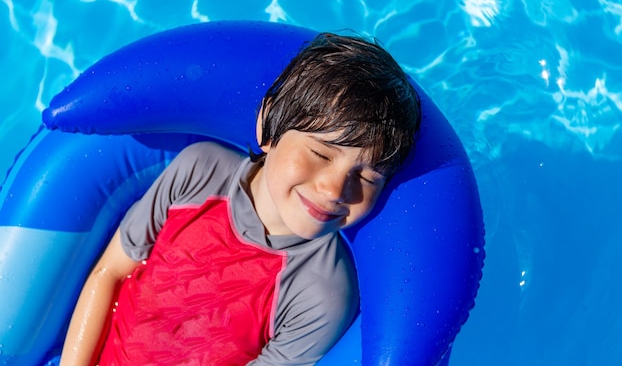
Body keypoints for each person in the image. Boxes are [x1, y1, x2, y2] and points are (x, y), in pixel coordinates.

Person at [59, 32, 421, 366]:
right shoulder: (197, 172)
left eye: (366, 176)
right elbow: (110, 273)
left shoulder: (321, 292)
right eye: (322, 154)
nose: (333, 190)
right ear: (267, 125)